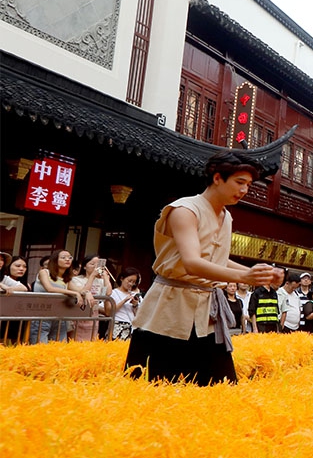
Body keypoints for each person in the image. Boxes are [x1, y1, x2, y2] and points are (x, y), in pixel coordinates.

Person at [124, 151, 283, 385]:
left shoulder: (226, 217)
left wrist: (260, 276)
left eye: (248, 185)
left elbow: (218, 260)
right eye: (240, 182)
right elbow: (192, 262)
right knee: (153, 387)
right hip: (168, 310)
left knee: (221, 388)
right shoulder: (184, 210)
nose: (244, 190)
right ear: (217, 178)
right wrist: (245, 276)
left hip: (206, 316)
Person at [33, 249, 85, 343]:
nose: (67, 259)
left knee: (60, 347)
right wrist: (74, 293)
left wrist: (88, 292)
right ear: (55, 260)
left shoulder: (66, 278)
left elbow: (81, 291)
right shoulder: (45, 272)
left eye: (70, 257)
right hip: (42, 316)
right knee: (40, 347)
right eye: (63, 257)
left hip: (59, 317)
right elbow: (50, 289)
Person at [109, 268, 142, 341]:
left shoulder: (135, 294)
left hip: (132, 327)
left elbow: (141, 314)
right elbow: (109, 311)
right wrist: (124, 301)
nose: (131, 284)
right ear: (122, 279)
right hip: (118, 325)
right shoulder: (113, 293)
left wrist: (135, 305)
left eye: (134, 282)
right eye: (129, 281)